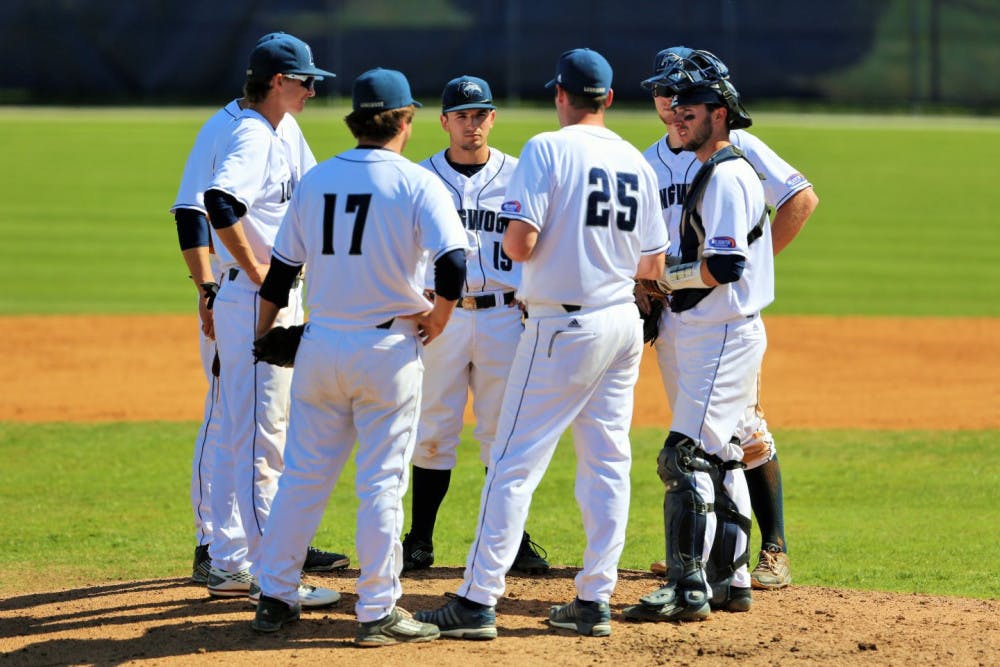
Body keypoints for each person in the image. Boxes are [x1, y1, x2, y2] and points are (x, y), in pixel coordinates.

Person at [416, 48, 667, 639]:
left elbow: (521, 245)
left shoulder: (546, 149)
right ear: (607, 99)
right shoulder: (635, 158)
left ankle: (477, 600)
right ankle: (593, 600)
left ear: (561, 96)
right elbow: (652, 262)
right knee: (607, 462)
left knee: (510, 460)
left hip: (562, 327)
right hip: (622, 323)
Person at [248, 68, 469, 647]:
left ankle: (274, 597)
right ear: (406, 119)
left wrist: (263, 334)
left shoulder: (317, 179)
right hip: (386, 351)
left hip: (319, 346)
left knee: (300, 478)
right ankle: (376, 611)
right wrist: (439, 319)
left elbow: (280, 274)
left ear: (355, 119)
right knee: (381, 485)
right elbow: (453, 264)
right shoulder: (419, 183)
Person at [638, 47, 819, 590]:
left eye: (682, 95)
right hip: (676, 317)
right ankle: (715, 557)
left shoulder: (733, 151)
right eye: (664, 94)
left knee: (739, 433)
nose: (671, 104)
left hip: (722, 316)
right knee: (704, 438)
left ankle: (771, 550)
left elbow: (800, 199)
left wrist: (749, 267)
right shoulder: (649, 160)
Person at [622, 61, 771, 622]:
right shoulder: (715, 170)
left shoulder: (729, 174)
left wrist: (666, 279)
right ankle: (731, 579)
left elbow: (726, 264)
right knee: (726, 455)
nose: (679, 116)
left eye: (692, 109)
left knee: (682, 457)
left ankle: (687, 589)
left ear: (720, 114)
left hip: (720, 332)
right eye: (675, 108)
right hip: (707, 329)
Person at [201, 32, 345, 606]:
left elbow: (312, 192)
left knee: (246, 434)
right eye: (306, 81)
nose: (313, 90)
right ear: (279, 82)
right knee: (264, 439)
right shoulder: (252, 135)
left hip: (266, 297)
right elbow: (219, 200)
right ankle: (271, 577)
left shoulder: (284, 129)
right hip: (257, 299)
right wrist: (262, 272)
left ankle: (231, 558)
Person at [402, 75, 548, 576]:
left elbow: (540, 244)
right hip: (439, 318)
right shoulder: (419, 177)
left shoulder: (519, 175)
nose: (472, 124)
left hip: (505, 315)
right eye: (462, 116)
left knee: (502, 432)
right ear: (443, 122)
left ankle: (513, 539)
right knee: (433, 431)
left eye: (480, 114)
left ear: (493, 118)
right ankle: (419, 539)